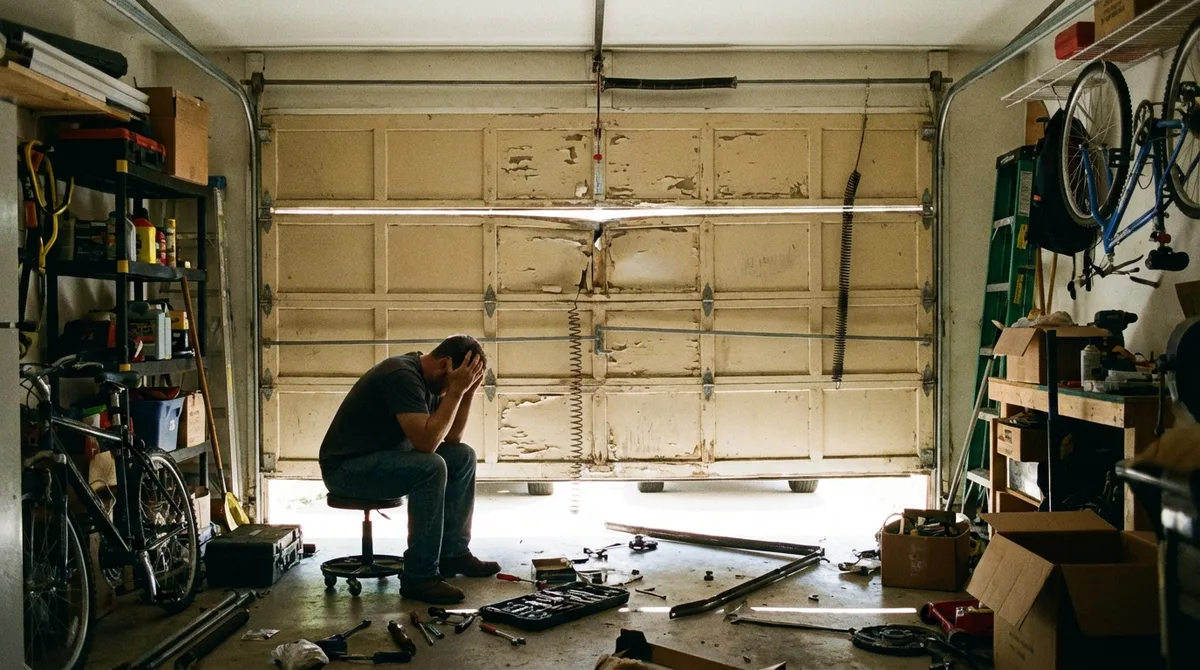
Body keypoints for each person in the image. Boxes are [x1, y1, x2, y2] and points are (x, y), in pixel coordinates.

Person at [319, 334, 500, 604]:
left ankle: (453, 554)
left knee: (462, 456)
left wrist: (467, 392)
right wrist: (455, 391)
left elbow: (452, 439)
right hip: (346, 470)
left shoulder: (432, 379)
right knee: (431, 466)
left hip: (383, 460)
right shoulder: (402, 375)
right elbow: (427, 443)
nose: (456, 387)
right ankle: (419, 577)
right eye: (461, 377)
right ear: (445, 363)